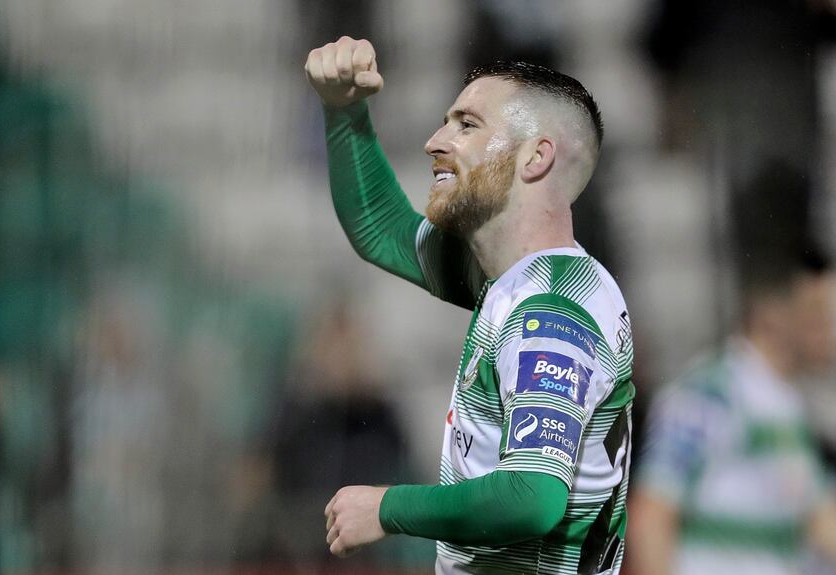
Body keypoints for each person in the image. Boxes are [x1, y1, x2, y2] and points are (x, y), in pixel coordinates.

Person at [305, 36, 635, 574]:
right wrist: (345, 109)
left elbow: (533, 496)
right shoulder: (510, 278)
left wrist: (388, 508)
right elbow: (380, 229)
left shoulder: (551, 313)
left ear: (536, 156)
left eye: (467, 125)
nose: (435, 141)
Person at [627, 251, 836, 575]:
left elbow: (822, 524)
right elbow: (650, 519)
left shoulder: (787, 407)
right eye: (818, 315)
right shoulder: (709, 396)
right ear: (773, 313)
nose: (830, 331)